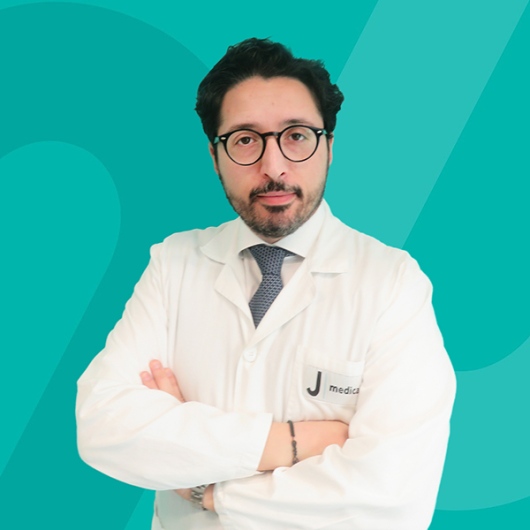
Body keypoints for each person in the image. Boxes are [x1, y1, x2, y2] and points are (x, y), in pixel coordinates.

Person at [76, 38, 456, 529]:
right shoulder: (174, 264)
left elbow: (392, 499)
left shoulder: (391, 284)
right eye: (244, 140)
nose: (273, 167)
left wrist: (206, 488)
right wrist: (294, 442)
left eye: (296, 136)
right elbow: (102, 426)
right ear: (215, 156)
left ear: (329, 147)